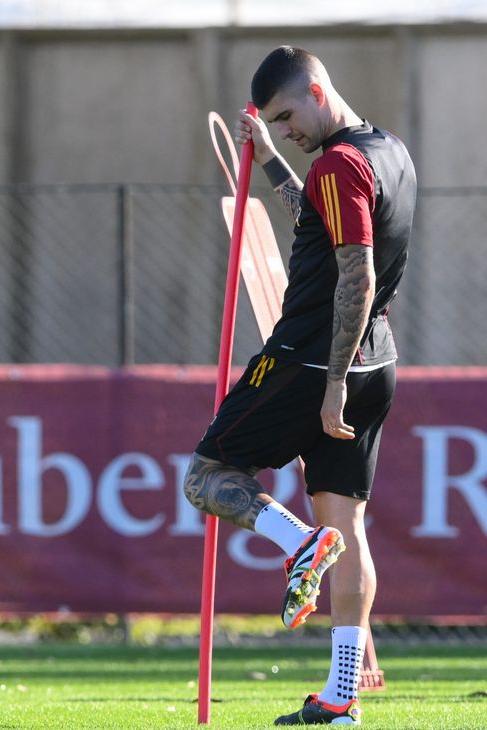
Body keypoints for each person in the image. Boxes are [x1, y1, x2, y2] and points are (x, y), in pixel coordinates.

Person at [183, 46, 416, 726]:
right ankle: (341, 695)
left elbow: (357, 276)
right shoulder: (389, 152)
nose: (285, 130)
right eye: (275, 124)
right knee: (348, 528)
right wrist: (270, 162)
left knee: (206, 476)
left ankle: (297, 545)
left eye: (286, 117)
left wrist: (332, 381)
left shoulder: (339, 165)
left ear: (317, 91)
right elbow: (319, 221)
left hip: (313, 362)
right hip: (377, 361)